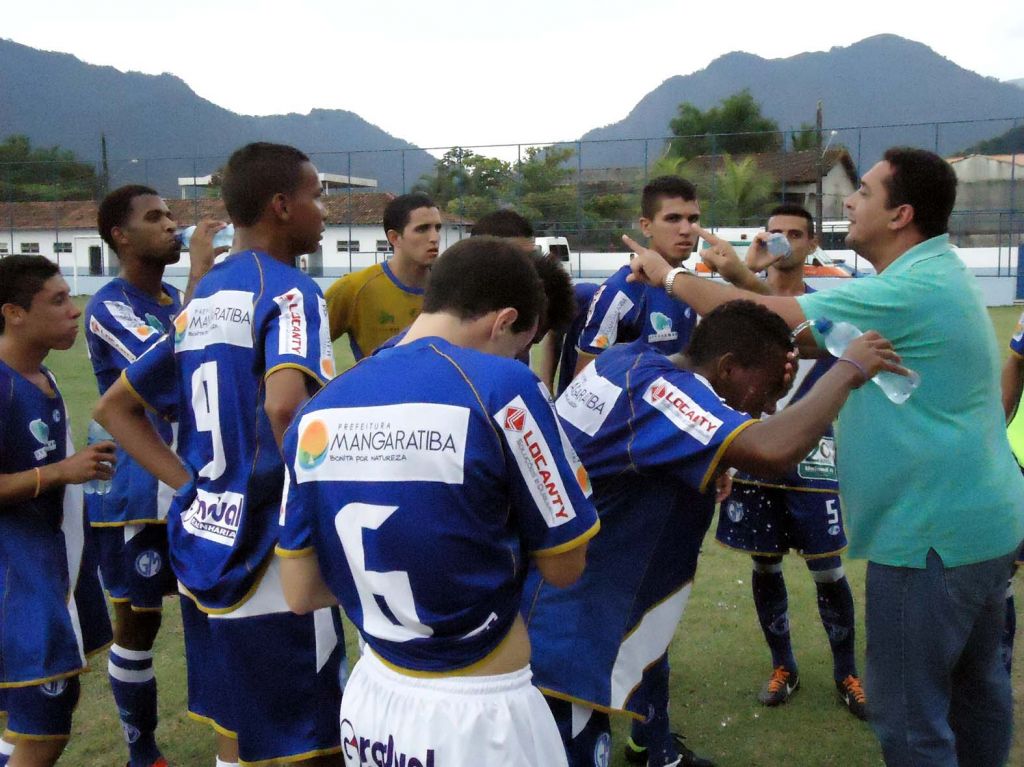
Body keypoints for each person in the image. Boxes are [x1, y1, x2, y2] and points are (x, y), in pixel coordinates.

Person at [626, 147, 1024, 766]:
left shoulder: (909, 289)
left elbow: (768, 316)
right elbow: (811, 332)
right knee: (976, 696)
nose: (848, 200)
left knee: (913, 720)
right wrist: (743, 282)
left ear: (901, 215)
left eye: (863, 191)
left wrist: (668, 275)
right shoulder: (925, 277)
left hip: (927, 538)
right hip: (980, 524)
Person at [526, 300, 899, 767]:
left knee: (644, 661)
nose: (766, 408)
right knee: (570, 746)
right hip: (572, 618)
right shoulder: (662, 391)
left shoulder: (629, 360)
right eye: (766, 392)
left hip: (588, 591)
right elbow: (770, 449)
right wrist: (844, 371)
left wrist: (711, 457)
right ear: (727, 369)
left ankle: (654, 747)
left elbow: (625, 452)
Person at [277, 237, 600, 767]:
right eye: (521, 343)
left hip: (372, 700)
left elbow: (301, 590)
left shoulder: (320, 409)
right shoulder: (503, 387)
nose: (517, 357)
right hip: (480, 714)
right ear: (505, 321)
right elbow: (566, 565)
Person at [95, 142, 344, 767]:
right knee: (309, 737)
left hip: (205, 535)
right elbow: (286, 408)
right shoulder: (290, 292)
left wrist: (189, 487)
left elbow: (115, 408)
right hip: (271, 544)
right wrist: (327, 505)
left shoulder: (201, 300)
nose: (325, 211)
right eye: (317, 196)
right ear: (282, 206)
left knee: (236, 723)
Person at [706, 204, 866, 719]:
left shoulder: (833, 306)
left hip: (815, 458)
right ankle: (784, 665)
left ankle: (847, 672)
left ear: (813, 244)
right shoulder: (739, 314)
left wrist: (742, 276)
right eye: (774, 234)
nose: (784, 243)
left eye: (795, 234)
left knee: (827, 569)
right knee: (764, 561)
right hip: (754, 450)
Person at [86, 185, 221, 767]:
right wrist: (199, 279)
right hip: (139, 493)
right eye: (155, 217)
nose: (172, 225)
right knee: (136, 627)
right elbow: (175, 365)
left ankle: (232, 739)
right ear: (120, 235)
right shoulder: (109, 307)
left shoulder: (172, 294)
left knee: (212, 611)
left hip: (195, 483)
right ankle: (144, 753)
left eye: (171, 214)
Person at [0, 256, 114, 767]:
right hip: (17, 582)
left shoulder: (40, 375)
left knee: (44, 709)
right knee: (44, 723)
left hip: (53, 571)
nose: (75, 310)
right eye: (59, 300)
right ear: (13, 313)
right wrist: (61, 473)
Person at [573, 175, 701, 377]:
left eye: (693, 219)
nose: (686, 230)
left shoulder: (689, 288)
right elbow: (585, 380)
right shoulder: (621, 291)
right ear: (646, 226)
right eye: (673, 218)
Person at [324, 192, 442, 360]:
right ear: (394, 238)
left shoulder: (452, 289)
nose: (434, 237)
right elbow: (306, 346)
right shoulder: (354, 288)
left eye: (437, 228)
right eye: (422, 229)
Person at [470, 209, 575, 370]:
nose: (530, 267)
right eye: (517, 258)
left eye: (533, 256)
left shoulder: (522, 319)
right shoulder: (448, 335)